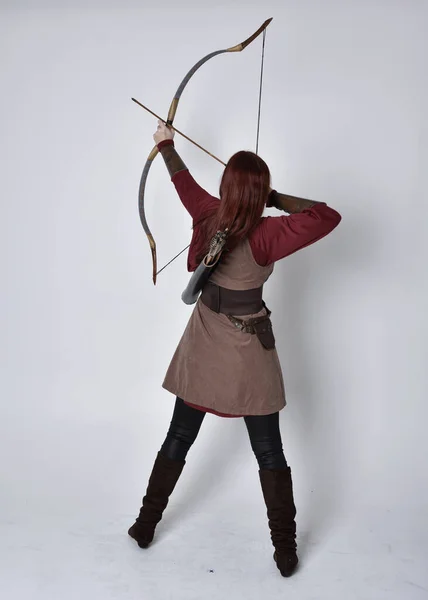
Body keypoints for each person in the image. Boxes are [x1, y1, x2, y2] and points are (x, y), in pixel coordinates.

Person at [128, 120, 341, 577]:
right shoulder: (268, 233)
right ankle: (285, 550)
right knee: (269, 451)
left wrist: (165, 144)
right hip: (246, 348)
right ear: (259, 191)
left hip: (205, 339)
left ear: (226, 187)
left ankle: (146, 525)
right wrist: (276, 198)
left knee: (179, 437)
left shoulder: (208, 212)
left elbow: (183, 182)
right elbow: (326, 216)